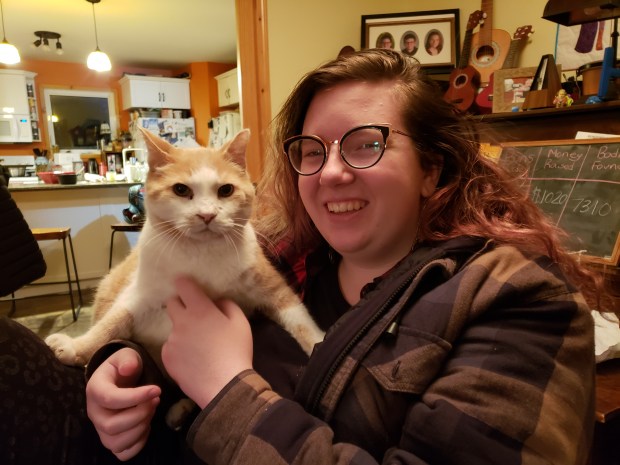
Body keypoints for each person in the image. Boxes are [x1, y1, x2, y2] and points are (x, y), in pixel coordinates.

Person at [0, 49, 609, 465]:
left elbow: (220, 376)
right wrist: (123, 376)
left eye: (366, 144)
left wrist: (228, 389)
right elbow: (161, 316)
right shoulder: (283, 255)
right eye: (312, 151)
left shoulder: (519, 301)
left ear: (432, 169)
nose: (332, 172)